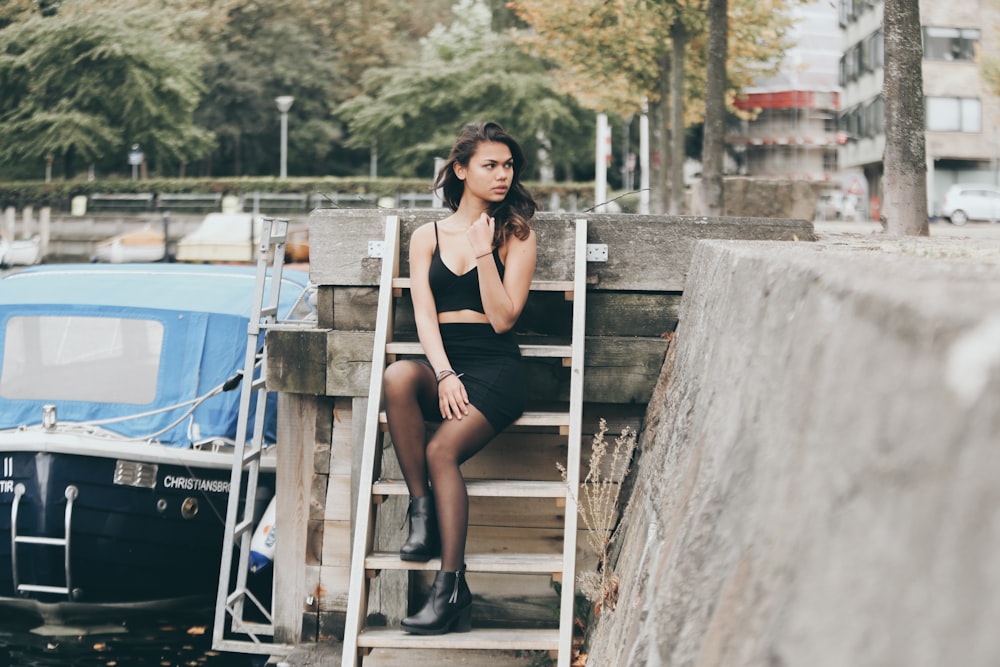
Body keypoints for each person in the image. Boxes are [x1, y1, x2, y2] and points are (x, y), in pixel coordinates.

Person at [382, 121, 537, 635]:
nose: (502, 174)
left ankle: (450, 588)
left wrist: (485, 251)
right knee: (400, 377)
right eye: (490, 165)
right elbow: (423, 314)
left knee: (440, 452)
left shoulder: (517, 234)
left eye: (508, 165)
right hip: (447, 360)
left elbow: (504, 319)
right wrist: (444, 373)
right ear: (461, 170)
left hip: (496, 366)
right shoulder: (426, 236)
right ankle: (421, 511)